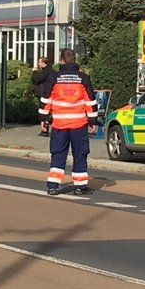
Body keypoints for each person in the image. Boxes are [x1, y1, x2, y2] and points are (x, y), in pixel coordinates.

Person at [38, 48, 98, 195]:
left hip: (59, 125)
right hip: (79, 125)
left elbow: (46, 100)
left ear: (62, 61)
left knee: (58, 154)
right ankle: (80, 186)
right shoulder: (83, 78)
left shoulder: (54, 78)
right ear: (74, 61)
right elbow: (90, 101)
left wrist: (44, 119)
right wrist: (93, 121)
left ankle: (53, 186)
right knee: (80, 154)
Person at [30, 57, 53, 135]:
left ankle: (44, 129)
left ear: (44, 63)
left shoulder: (47, 71)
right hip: (46, 93)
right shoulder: (49, 71)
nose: (39, 64)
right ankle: (44, 128)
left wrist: (35, 71)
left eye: (40, 62)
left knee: (43, 111)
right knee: (44, 110)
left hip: (43, 93)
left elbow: (37, 79)